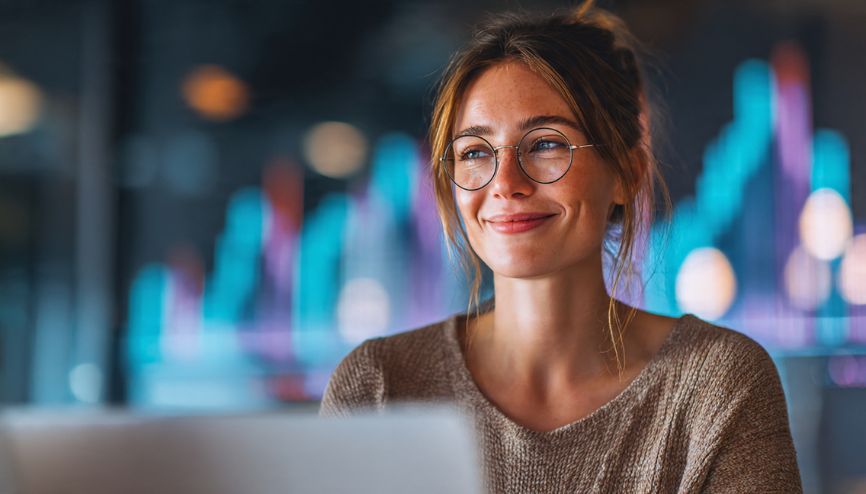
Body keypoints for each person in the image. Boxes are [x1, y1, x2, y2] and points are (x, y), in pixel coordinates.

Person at [320, 2, 803, 492]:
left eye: (546, 144)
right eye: (475, 152)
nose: (505, 184)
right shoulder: (378, 388)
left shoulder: (718, 386)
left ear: (626, 173)